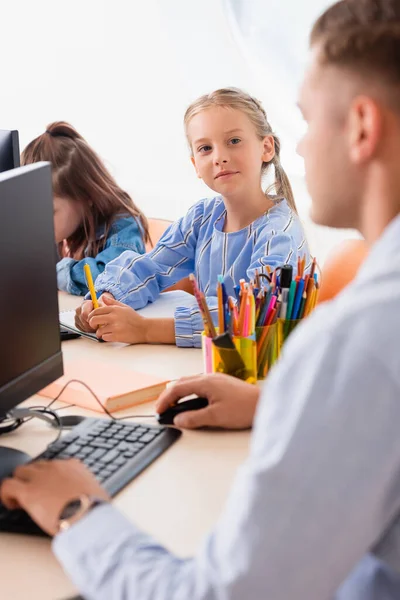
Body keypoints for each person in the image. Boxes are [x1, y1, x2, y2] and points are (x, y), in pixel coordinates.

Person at [3, 0, 400, 598]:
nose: (302, 145)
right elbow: (153, 268)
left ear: (362, 127)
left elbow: (218, 594)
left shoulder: (361, 336)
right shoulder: (363, 312)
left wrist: (77, 508)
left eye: (307, 120)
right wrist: (268, 405)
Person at [75, 88, 309, 346]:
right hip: (208, 362)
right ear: (195, 164)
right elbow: (151, 268)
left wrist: (145, 330)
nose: (219, 157)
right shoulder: (202, 217)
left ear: (266, 148)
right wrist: (105, 299)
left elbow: (250, 318)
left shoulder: (279, 234)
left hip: (257, 372)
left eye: (234, 141)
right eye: (205, 148)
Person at [22, 121, 150, 295]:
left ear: (86, 196)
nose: (37, 222)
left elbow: (109, 278)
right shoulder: (72, 223)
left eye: (48, 211)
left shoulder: (124, 225)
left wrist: (52, 273)